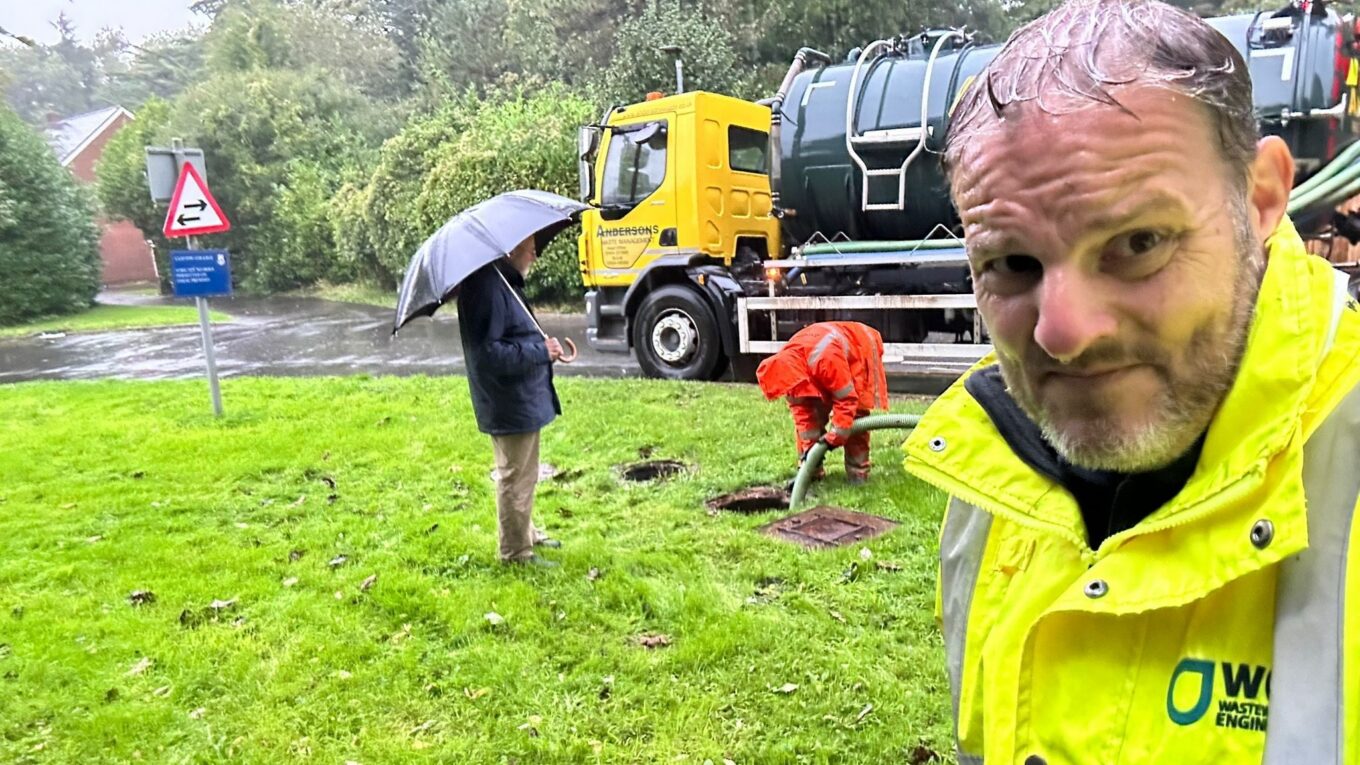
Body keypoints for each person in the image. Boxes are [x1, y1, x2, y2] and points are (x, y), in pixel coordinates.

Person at [900, 1, 1360, 761]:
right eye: (1012, 265)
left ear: (1262, 199)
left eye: (1138, 243)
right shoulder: (988, 471)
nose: (1063, 333)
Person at [457, 235, 566, 568]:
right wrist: (539, 351)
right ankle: (516, 554)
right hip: (508, 402)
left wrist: (543, 349)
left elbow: (513, 335)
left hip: (521, 398)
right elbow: (487, 355)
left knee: (525, 474)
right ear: (509, 250)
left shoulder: (503, 282)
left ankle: (526, 533)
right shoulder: (486, 288)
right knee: (514, 476)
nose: (535, 253)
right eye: (529, 247)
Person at [756, 321, 889, 483]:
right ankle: (810, 474)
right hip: (827, 353)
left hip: (859, 347)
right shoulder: (788, 372)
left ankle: (858, 475)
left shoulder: (824, 358)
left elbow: (847, 400)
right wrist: (809, 451)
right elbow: (804, 419)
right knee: (814, 413)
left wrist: (835, 436)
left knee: (856, 416)